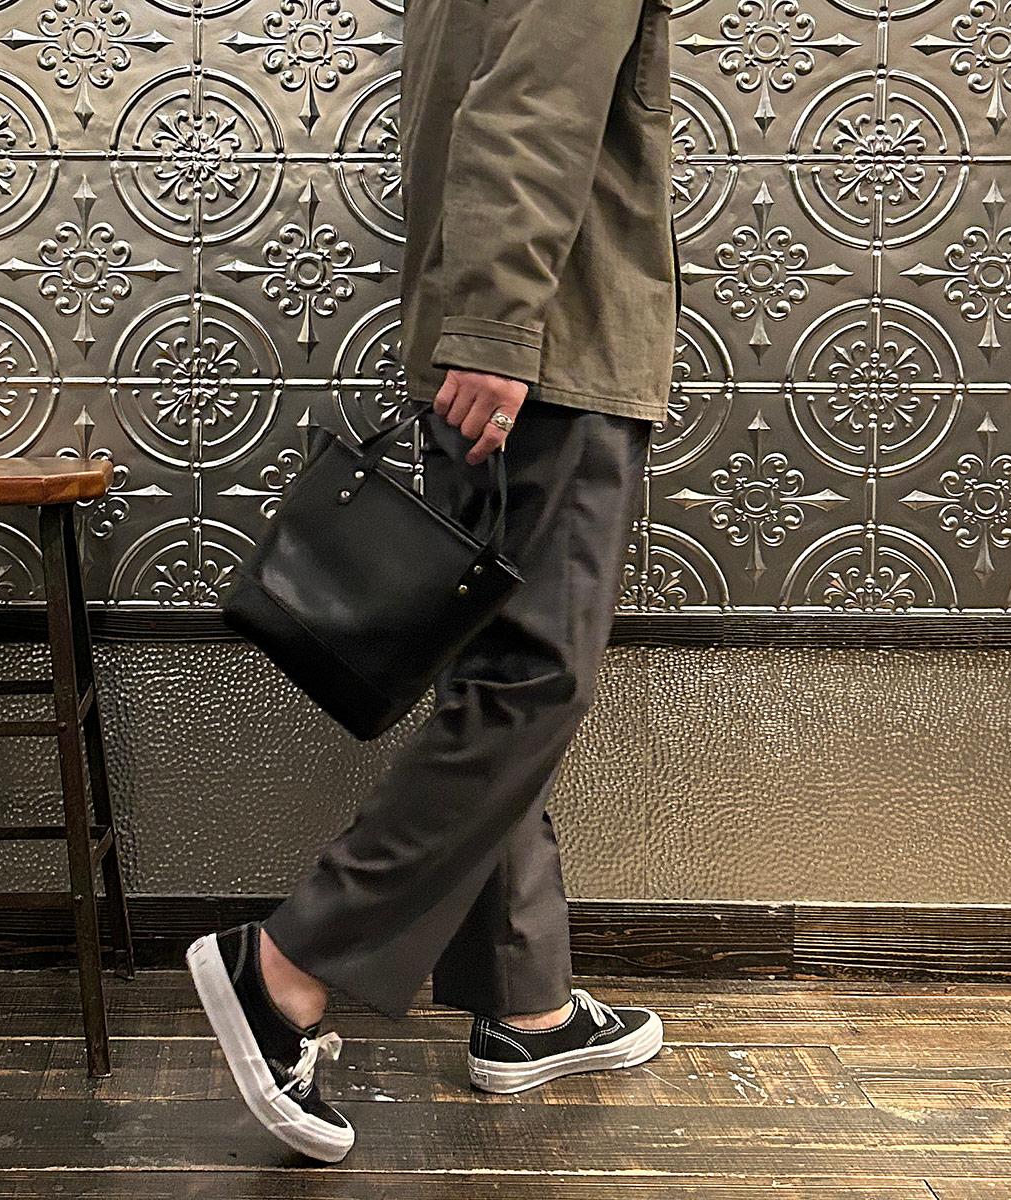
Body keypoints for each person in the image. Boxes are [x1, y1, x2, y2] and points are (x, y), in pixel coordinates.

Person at [186, 0, 680, 1162]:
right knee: (532, 681)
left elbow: (480, 101)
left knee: (497, 669)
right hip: (552, 348)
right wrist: (501, 331)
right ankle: (286, 967)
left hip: (498, 338)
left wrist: (483, 326)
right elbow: (532, 108)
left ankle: (527, 1003)